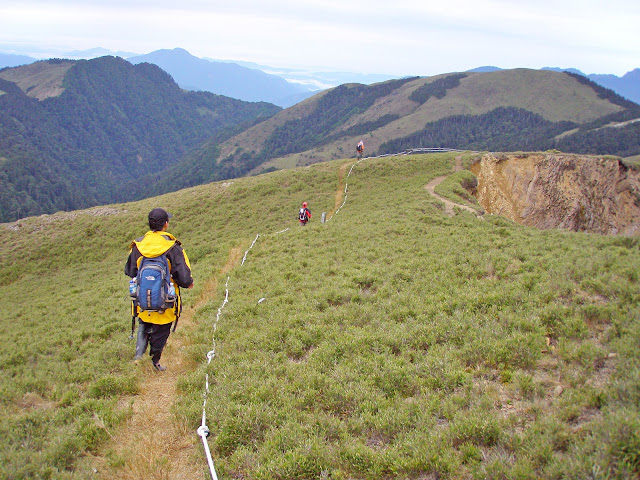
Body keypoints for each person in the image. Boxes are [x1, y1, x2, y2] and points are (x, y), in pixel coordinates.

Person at [125, 208, 194, 371]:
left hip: (143, 299)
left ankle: (139, 357)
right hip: (166, 300)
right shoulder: (172, 247)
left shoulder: (138, 245)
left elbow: (130, 271)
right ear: (165, 224)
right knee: (161, 329)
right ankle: (154, 361)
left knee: (144, 322)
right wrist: (188, 282)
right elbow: (183, 276)